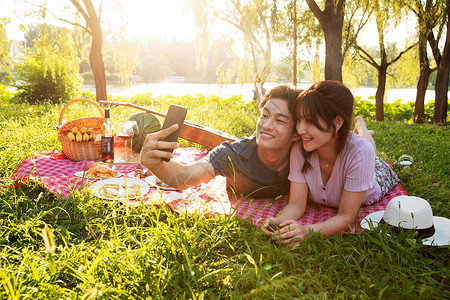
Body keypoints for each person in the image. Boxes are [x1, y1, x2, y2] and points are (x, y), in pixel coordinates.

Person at [262, 80, 400, 245]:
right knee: (364, 148)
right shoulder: (299, 148)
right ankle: (360, 131)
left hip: (376, 174)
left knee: (370, 149)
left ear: (337, 122)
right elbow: (296, 204)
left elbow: (346, 217)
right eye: (299, 120)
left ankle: (361, 126)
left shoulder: (360, 152)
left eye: (310, 121)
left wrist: (307, 231)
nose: (300, 130)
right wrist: (280, 221)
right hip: (349, 146)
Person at [140, 84, 302, 198]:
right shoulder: (232, 155)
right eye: (264, 116)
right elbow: (184, 178)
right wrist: (154, 163)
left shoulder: (305, 157)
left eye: (280, 121)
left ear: (296, 133)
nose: (266, 126)